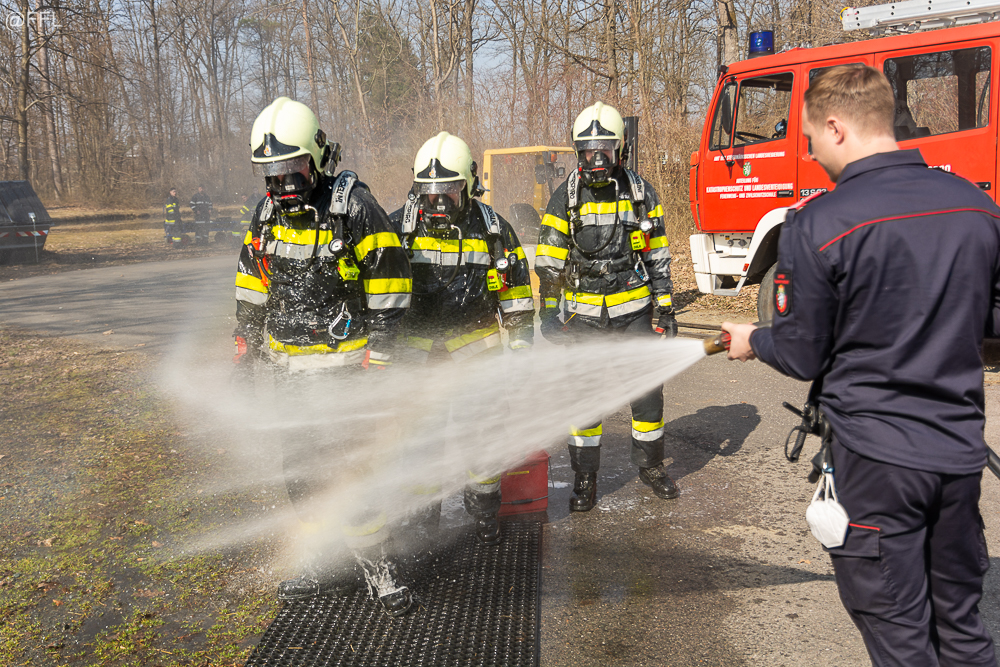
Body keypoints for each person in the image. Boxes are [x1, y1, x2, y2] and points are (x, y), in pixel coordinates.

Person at [723, 64, 999, 666]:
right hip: (957, 457)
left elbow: (801, 353)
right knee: (961, 629)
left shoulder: (819, 224)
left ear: (836, 127)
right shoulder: (977, 207)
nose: (809, 152)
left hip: (877, 465)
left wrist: (754, 340)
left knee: (900, 637)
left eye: (809, 139)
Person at [233, 97, 413, 616]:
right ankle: (318, 561)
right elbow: (251, 283)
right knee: (301, 473)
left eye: (292, 168)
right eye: (271, 172)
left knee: (353, 473)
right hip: (288, 371)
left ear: (316, 158)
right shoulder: (266, 214)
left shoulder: (353, 206)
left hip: (345, 372)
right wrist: (246, 345)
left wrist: (382, 352)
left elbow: (390, 284)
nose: (282, 183)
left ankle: (379, 569)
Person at [389, 132, 534, 546]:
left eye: (449, 190)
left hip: (477, 356)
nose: (438, 200)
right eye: (429, 190)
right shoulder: (398, 227)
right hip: (418, 359)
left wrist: (521, 347)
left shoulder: (493, 230)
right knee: (420, 442)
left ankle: (484, 512)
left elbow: (517, 296)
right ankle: (422, 522)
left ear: (469, 185)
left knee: (484, 438)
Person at [535, 101, 678, 512]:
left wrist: (666, 308)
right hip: (584, 317)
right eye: (588, 152)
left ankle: (650, 467)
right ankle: (585, 476)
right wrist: (549, 311)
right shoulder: (565, 197)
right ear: (577, 152)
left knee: (647, 393)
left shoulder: (640, 193)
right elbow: (549, 262)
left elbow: (657, 255)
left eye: (605, 151)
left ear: (621, 150)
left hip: (634, 311)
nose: (596, 160)